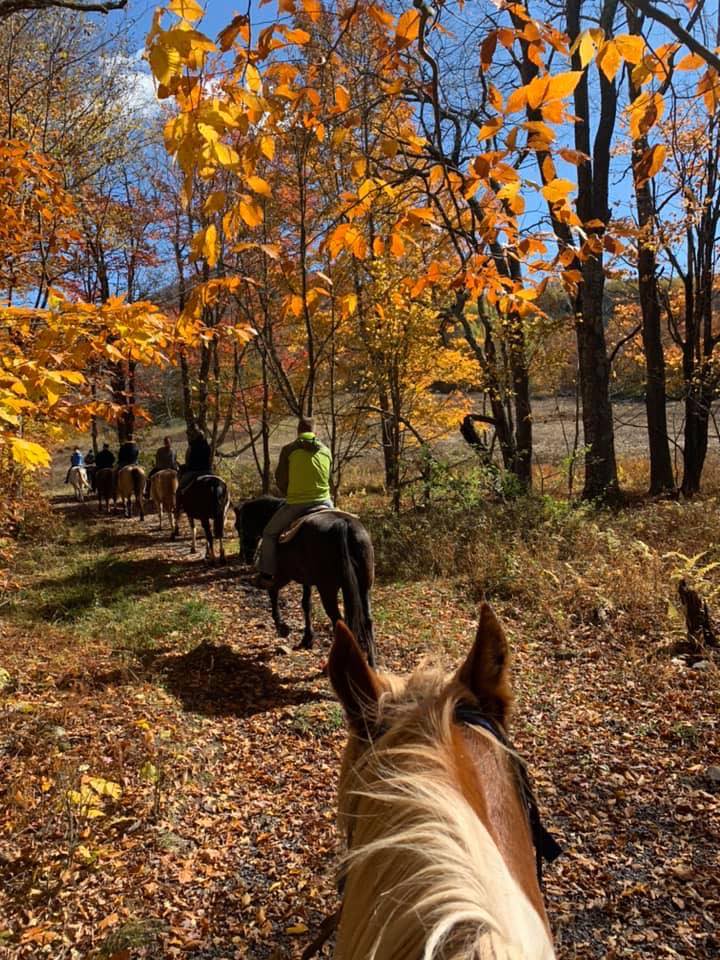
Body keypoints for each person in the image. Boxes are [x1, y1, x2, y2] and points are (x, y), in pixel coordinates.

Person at [255, 417, 333, 589]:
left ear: (297, 432)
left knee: (269, 534)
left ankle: (267, 576)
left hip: (298, 503)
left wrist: (290, 493)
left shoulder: (289, 449)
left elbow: (281, 479)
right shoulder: (326, 450)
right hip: (325, 502)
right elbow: (328, 477)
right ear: (315, 432)